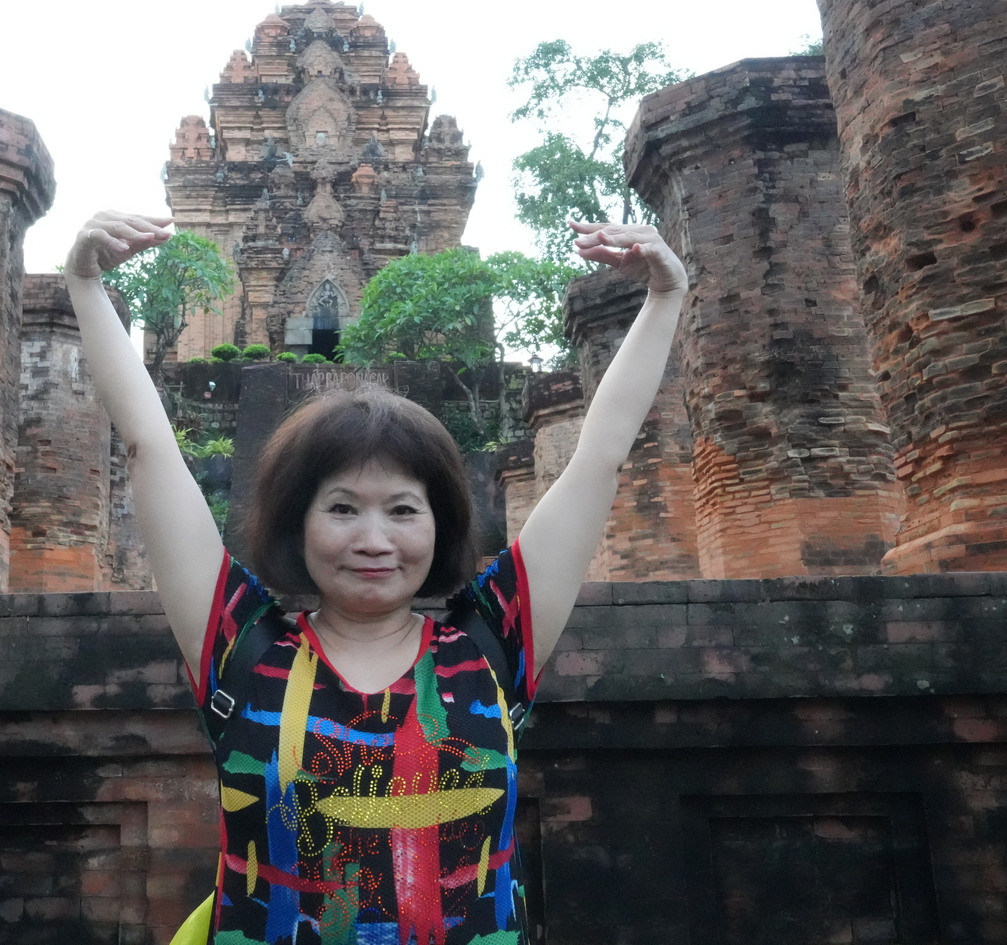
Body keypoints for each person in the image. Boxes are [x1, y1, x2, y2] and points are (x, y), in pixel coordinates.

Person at [64, 211, 687, 945]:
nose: (373, 540)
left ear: (439, 524)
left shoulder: (490, 646)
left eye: (402, 510)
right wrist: (86, 284)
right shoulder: (244, 651)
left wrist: (664, 297)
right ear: (299, 523)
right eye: (341, 508)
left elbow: (600, 457)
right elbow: (148, 446)